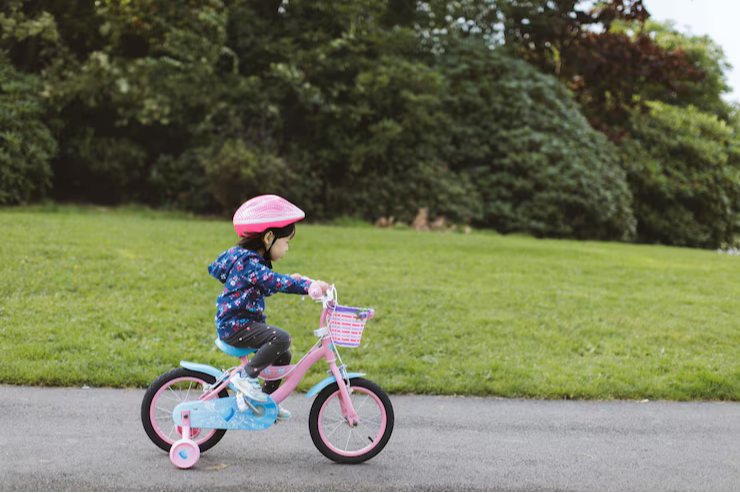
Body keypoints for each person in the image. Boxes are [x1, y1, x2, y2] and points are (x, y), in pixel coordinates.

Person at [208, 195, 329, 421]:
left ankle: (264, 401)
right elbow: (275, 281)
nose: (287, 249)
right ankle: (245, 378)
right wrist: (308, 286)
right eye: (286, 242)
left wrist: (291, 280)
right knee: (281, 338)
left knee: (283, 354)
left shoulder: (251, 262)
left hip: (241, 324)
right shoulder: (248, 262)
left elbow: (266, 285)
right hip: (236, 327)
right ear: (269, 237)